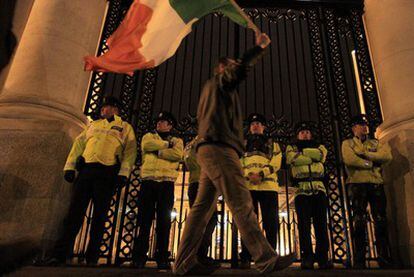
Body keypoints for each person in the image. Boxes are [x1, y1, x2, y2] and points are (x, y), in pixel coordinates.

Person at [173, 31, 295, 276]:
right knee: (240, 200)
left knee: (201, 209)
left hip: (209, 148)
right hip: (220, 148)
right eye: (229, 66)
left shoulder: (212, 90)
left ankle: (183, 262)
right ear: (222, 68)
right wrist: (258, 48)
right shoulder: (220, 83)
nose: (234, 69)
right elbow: (237, 71)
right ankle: (265, 258)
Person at [42, 96, 137, 265]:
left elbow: (130, 151)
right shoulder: (93, 125)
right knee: (74, 214)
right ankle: (60, 254)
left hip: (108, 172)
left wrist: (123, 173)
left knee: (100, 216)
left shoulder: (125, 127)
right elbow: (78, 145)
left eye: (105, 107)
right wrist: (69, 167)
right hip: (87, 171)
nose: (102, 109)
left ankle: (92, 256)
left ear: (115, 109)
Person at [132, 111, 183, 269]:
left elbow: (177, 154)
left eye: (163, 122)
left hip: (166, 183)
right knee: (144, 220)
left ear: (170, 125)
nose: (159, 124)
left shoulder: (177, 140)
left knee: (164, 222)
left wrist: (158, 151)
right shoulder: (149, 136)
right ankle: (139, 256)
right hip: (148, 182)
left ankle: (162, 257)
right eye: (158, 121)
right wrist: (167, 146)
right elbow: (146, 146)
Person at [342, 115, 393, 269]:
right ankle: (359, 258)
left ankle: (384, 256)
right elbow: (350, 160)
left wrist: (365, 154)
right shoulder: (348, 143)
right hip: (358, 184)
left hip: (375, 183)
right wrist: (370, 162)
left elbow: (387, 156)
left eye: (365, 124)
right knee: (359, 220)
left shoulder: (375, 142)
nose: (364, 127)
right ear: (353, 127)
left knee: (380, 220)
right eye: (360, 124)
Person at [286, 121, 332, 270]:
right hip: (301, 190)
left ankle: (323, 258)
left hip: (319, 189)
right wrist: (312, 157)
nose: (305, 134)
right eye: (302, 132)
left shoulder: (320, 147)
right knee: (304, 227)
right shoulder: (291, 148)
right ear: (297, 135)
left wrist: (303, 153)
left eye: (307, 132)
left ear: (311, 134)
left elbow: (321, 156)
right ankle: (307, 257)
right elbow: (292, 159)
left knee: (321, 225)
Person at [239, 113, 282, 269]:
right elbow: (238, 161)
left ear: (264, 127)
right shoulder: (242, 143)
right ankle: (246, 256)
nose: (255, 125)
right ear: (250, 127)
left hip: (268, 187)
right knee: (248, 224)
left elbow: (277, 161)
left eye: (258, 123)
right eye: (252, 124)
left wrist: (261, 174)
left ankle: (271, 256)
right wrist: (248, 174)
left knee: (271, 223)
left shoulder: (272, 143)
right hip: (249, 186)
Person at [184, 136, 218, 264]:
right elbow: (190, 160)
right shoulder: (197, 141)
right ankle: (197, 255)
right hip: (200, 183)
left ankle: (198, 254)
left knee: (208, 220)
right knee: (204, 221)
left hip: (206, 183)